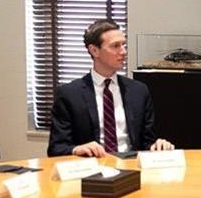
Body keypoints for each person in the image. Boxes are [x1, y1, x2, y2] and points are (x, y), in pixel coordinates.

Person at [47, 19, 174, 157]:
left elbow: (147, 143)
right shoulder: (69, 94)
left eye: (124, 45)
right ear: (94, 50)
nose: (123, 51)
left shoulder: (138, 91)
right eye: (115, 46)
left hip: (132, 167)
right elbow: (56, 148)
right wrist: (77, 149)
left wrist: (158, 146)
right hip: (92, 168)